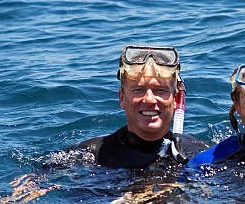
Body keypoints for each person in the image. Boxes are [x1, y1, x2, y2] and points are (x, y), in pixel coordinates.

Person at [67, 45, 207, 169]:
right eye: (138, 90)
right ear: (122, 98)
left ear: (176, 99)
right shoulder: (88, 155)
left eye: (160, 90)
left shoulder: (200, 153)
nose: (149, 99)